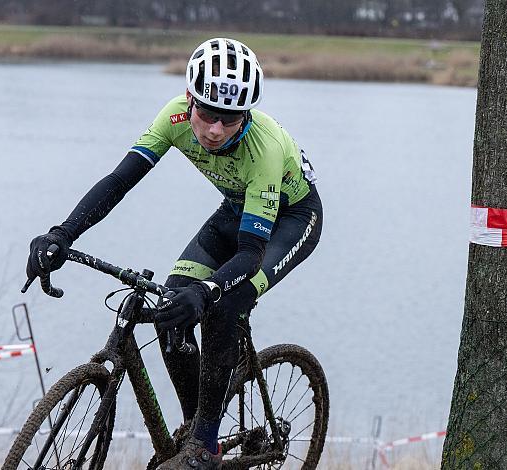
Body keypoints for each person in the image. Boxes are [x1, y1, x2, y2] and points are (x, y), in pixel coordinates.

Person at [25, 37, 322, 469]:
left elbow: (251, 254)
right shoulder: (174, 117)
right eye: (206, 114)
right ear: (189, 100)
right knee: (172, 306)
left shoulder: (266, 149)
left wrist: (209, 289)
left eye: (229, 119)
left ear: (246, 114)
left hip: (292, 220)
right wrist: (61, 234)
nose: (215, 129)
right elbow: (118, 181)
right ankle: (198, 428)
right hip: (238, 208)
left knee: (223, 304)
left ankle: (205, 444)